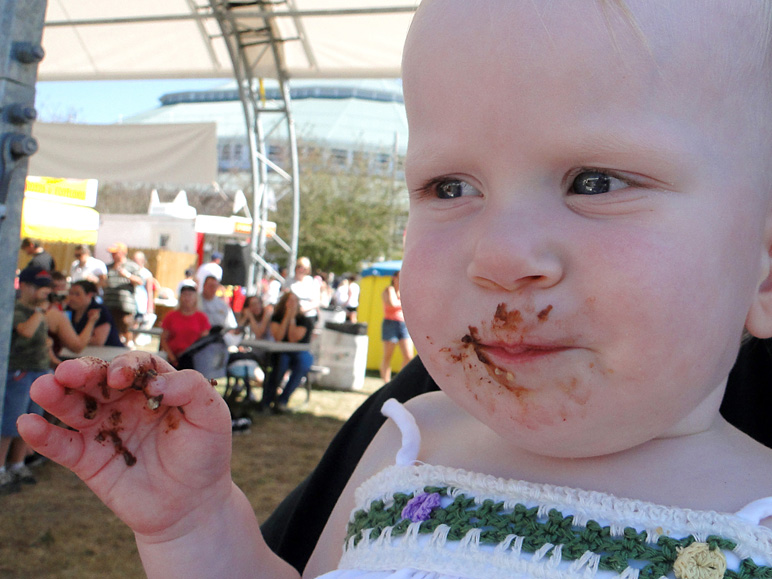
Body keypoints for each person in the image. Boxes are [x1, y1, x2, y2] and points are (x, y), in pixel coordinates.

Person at [17, 1, 772, 577]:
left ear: (763, 270)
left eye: (595, 182)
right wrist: (196, 526)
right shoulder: (409, 443)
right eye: (450, 185)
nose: (499, 255)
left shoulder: (757, 519)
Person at [1, 267, 54, 494]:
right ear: (22, 286)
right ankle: (1, 467)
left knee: (31, 420)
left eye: (45, 287)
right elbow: (25, 331)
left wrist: (53, 359)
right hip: (19, 371)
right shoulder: (16, 308)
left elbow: (42, 340)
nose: (42, 292)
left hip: (38, 370)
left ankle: (18, 463)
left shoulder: (36, 311)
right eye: (37, 286)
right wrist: (40, 313)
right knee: (11, 421)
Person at [261, 291, 314, 414]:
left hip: (299, 352)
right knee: (281, 364)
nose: (292, 304)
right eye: (289, 301)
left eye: (294, 301)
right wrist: (287, 317)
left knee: (303, 364)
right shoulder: (277, 317)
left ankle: (282, 400)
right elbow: (278, 337)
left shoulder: (304, 320)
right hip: (280, 352)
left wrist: (292, 319)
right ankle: (267, 401)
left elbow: (293, 338)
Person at [159, 285, 211, 368]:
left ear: (195, 299)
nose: (187, 298)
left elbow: (204, 341)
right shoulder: (171, 316)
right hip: (173, 357)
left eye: (190, 295)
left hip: (194, 359)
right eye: (184, 295)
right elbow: (164, 339)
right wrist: (172, 358)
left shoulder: (201, 317)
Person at [102, 242, 142, 346]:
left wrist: (127, 275)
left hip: (125, 306)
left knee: (125, 328)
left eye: (115, 253)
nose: (113, 255)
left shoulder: (132, 266)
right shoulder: (107, 267)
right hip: (108, 304)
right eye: (112, 253)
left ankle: (128, 346)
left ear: (123, 253)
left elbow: (140, 281)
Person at [65, 280, 123, 348]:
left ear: (89, 295)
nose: (72, 298)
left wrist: (72, 340)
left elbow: (99, 341)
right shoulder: (68, 310)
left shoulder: (100, 311)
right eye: (70, 293)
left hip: (108, 352)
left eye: (77, 294)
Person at [380, 271, 412, 382]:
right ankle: (386, 381)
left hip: (403, 324)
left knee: (408, 356)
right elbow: (392, 303)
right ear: (395, 278)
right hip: (391, 323)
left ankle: (398, 380)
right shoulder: (389, 290)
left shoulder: (405, 291)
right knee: (388, 355)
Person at [285, 257, 321, 326]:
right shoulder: (289, 281)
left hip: (307, 316)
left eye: (304, 268)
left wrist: (302, 310)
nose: (301, 270)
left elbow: (316, 301)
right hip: (291, 314)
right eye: (299, 267)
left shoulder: (313, 282)